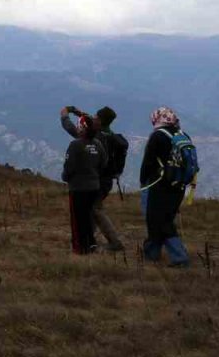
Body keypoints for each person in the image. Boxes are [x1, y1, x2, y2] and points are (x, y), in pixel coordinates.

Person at [60, 106, 127, 251]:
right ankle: (88, 241)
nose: (93, 118)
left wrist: (65, 116)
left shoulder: (95, 137)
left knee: (95, 210)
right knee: (91, 210)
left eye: (96, 117)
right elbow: (91, 120)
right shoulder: (108, 134)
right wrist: (77, 112)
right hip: (105, 179)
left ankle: (108, 242)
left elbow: (72, 128)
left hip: (95, 180)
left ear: (100, 121)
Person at [140, 107, 192, 267]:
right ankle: (151, 253)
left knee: (159, 220)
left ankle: (180, 257)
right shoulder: (182, 135)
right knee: (163, 219)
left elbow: (148, 162)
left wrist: (143, 182)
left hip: (159, 184)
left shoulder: (158, 136)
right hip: (179, 184)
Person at [62, 114, 107, 255]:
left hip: (78, 187)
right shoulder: (97, 144)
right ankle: (91, 243)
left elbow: (69, 166)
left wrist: (66, 177)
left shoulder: (75, 145)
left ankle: (79, 247)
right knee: (88, 217)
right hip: (94, 187)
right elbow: (103, 164)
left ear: (82, 128)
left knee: (77, 219)